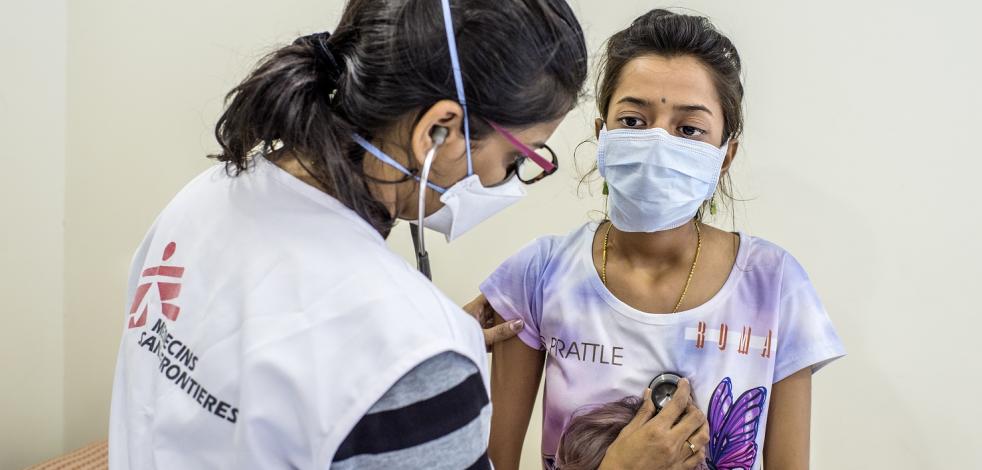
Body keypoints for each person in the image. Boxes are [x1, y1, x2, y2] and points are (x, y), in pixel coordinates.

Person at [108, 0, 591, 468]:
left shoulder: (202, 199)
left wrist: (425, 373)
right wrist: (429, 370)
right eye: (516, 158)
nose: (506, 181)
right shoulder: (406, 347)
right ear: (437, 131)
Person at [475, 9, 846, 470]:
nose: (656, 142)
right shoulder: (537, 275)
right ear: (602, 136)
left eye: (688, 129)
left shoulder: (774, 286)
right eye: (633, 121)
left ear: (724, 157)